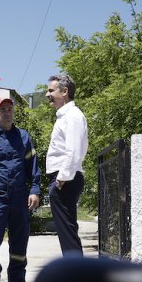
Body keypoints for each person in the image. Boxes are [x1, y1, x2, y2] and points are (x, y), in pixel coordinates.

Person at [0, 97, 41, 282]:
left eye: (10, 109)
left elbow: (32, 166)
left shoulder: (23, 137)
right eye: (3, 109)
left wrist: (34, 189)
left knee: (19, 243)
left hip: (19, 197)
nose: (7, 112)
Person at [45, 73, 88, 256]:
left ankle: (77, 279)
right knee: (66, 232)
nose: (47, 95)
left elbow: (73, 151)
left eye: (51, 90)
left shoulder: (73, 116)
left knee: (68, 233)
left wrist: (62, 178)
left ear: (64, 91)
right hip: (64, 179)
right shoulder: (65, 116)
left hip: (65, 180)